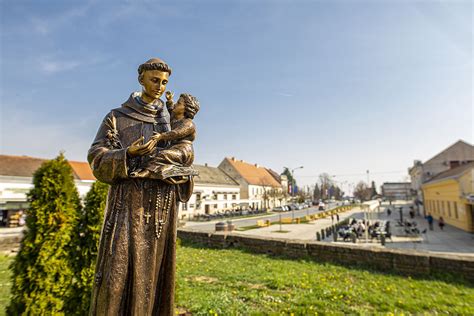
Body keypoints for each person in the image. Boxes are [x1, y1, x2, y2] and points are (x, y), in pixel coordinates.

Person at [88, 58, 194, 315]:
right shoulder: (117, 116)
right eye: (154, 80)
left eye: (164, 82)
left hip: (160, 208)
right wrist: (127, 153)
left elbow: (187, 153)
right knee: (116, 278)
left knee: (154, 278)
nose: (159, 86)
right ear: (141, 79)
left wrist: (181, 159)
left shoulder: (170, 120)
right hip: (127, 206)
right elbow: (96, 156)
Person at [131, 93, 199, 180]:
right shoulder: (176, 118)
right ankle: (141, 169)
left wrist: (161, 136)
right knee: (153, 151)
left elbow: (176, 133)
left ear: (186, 109)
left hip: (184, 153)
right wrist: (169, 100)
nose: (175, 104)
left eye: (178, 103)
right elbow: (171, 109)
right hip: (173, 148)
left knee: (163, 154)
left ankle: (147, 172)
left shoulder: (189, 124)